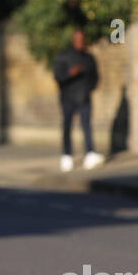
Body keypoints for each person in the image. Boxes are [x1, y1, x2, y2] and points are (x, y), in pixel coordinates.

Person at [53, 29, 102, 171]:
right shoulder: (64, 56)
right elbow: (58, 76)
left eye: (82, 39)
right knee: (67, 127)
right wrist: (70, 74)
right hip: (68, 98)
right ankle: (67, 156)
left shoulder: (89, 58)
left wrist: (89, 89)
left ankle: (90, 153)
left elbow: (95, 77)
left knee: (87, 126)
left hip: (84, 97)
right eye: (78, 39)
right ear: (73, 40)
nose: (80, 42)